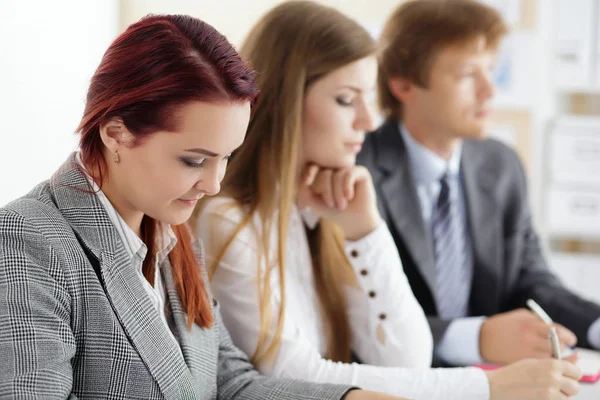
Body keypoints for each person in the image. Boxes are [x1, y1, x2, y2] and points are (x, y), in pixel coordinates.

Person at [0, 14, 402, 400]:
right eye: (194, 161)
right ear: (115, 134)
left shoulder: (172, 233)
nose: (214, 184)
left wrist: (353, 398)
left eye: (227, 157)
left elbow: (228, 382)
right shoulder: (29, 243)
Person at [194, 2, 582, 399]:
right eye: (346, 100)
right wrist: (487, 386)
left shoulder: (324, 211)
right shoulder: (227, 220)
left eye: (367, 99)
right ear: (286, 101)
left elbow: (408, 358)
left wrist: (365, 232)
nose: (369, 121)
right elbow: (296, 375)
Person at [358, 0, 600, 370]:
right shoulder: (360, 173)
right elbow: (358, 319)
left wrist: (596, 326)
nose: (489, 90)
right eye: (469, 74)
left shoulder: (501, 165)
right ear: (403, 84)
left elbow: (530, 280)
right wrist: (478, 337)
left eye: (491, 70)